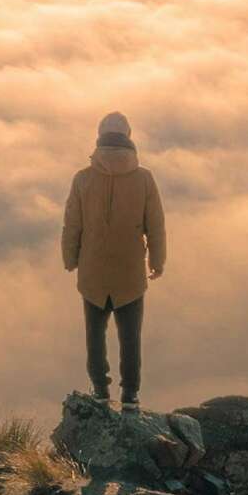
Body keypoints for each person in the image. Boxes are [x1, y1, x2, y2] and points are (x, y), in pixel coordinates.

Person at [61, 111, 166, 412]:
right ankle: (131, 395)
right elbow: (155, 224)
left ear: (99, 137)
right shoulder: (144, 178)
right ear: (128, 137)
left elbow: (72, 224)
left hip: (92, 270)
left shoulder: (82, 179)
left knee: (95, 335)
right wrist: (157, 261)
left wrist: (70, 258)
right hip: (130, 271)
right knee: (130, 337)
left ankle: (100, 390)